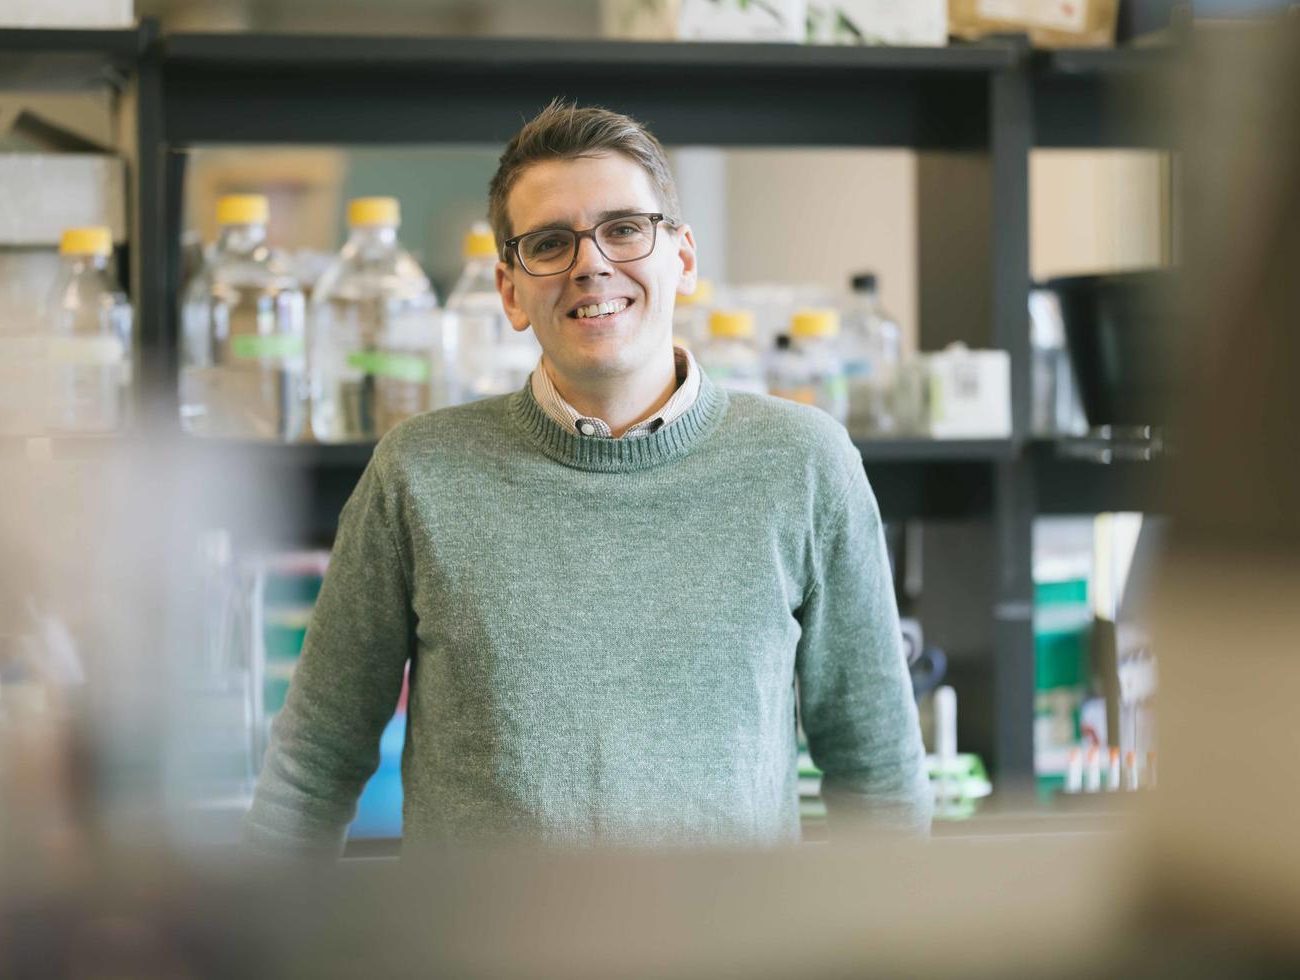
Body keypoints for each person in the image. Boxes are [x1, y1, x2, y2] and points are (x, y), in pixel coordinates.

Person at [245, 100, 930, 852]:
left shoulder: (805, 463)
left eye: (625, 228)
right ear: (509, 291)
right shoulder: (417, 472)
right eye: (549, 243)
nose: (591, 264)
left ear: (683, 259)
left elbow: (878, 774)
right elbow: (313, 763)